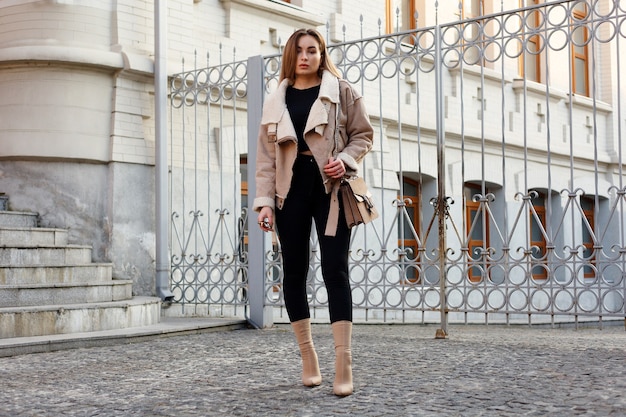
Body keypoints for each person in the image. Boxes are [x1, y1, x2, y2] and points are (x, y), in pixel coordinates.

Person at [253, 28, 374, 397]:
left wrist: (346, 159)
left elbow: (363, 135)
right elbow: (265, 159)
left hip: (331, 189)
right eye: (300, 51)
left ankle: (343, 363)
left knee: (334, 268)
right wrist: (265, 203)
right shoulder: (276, 100)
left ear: (322, 55)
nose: (306, 57)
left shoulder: (342, 91)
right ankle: (308, 357)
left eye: (313, 50)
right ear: (291, 56)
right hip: (291, 192)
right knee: (294, 272)